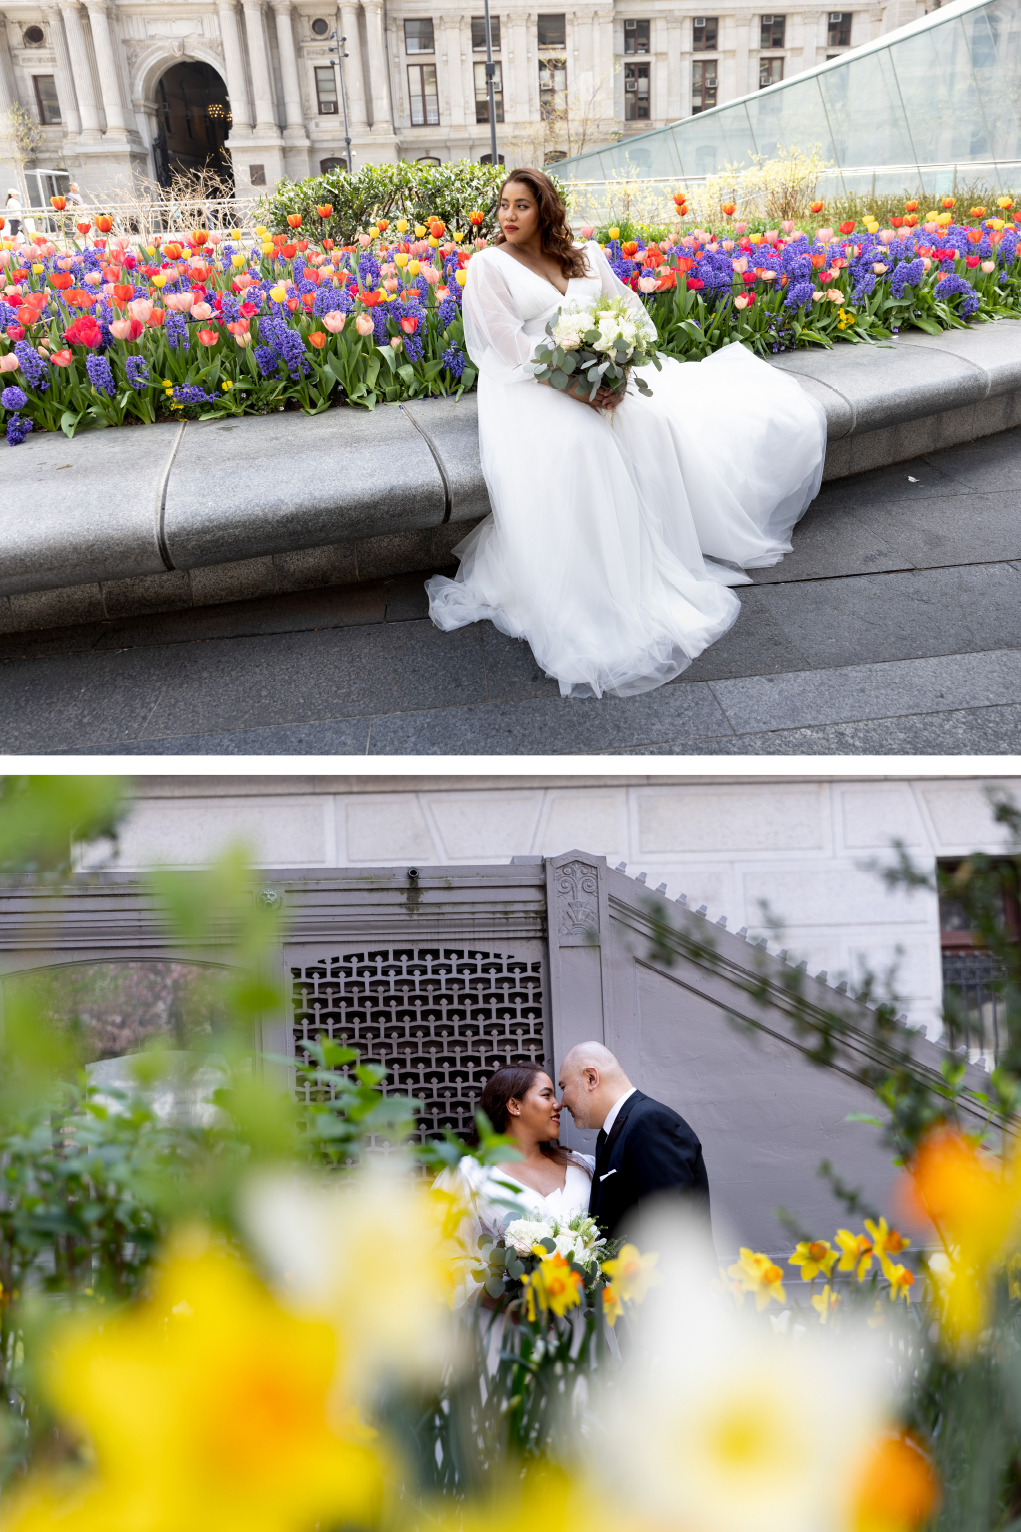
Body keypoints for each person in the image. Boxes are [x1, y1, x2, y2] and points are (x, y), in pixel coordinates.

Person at [425, 166, 827, 700]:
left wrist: (620, 370)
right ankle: (596, 591)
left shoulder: (587, 256)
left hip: (598, 376)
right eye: (503, 205)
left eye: (521, 205)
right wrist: (576, 389)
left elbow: (631, 314)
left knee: (653, 420)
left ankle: (656, 554)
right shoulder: (488, 266)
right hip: (527, 386)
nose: (508, 216)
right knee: (584, 442)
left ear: (545, 210)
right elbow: (505, 347)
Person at [557, 1041, 709, 1239]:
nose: (561, 1102)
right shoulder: (610, 1134)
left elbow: (670, 1233)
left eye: (563, 1087)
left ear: (591, 1078)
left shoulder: (650, 1123)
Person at [451, 1062, 594, 1249]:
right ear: (514, 1105)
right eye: (546, 1095)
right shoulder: (470, 1173)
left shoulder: (582, 1166)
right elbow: (447, 1252)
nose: (558, 1104)